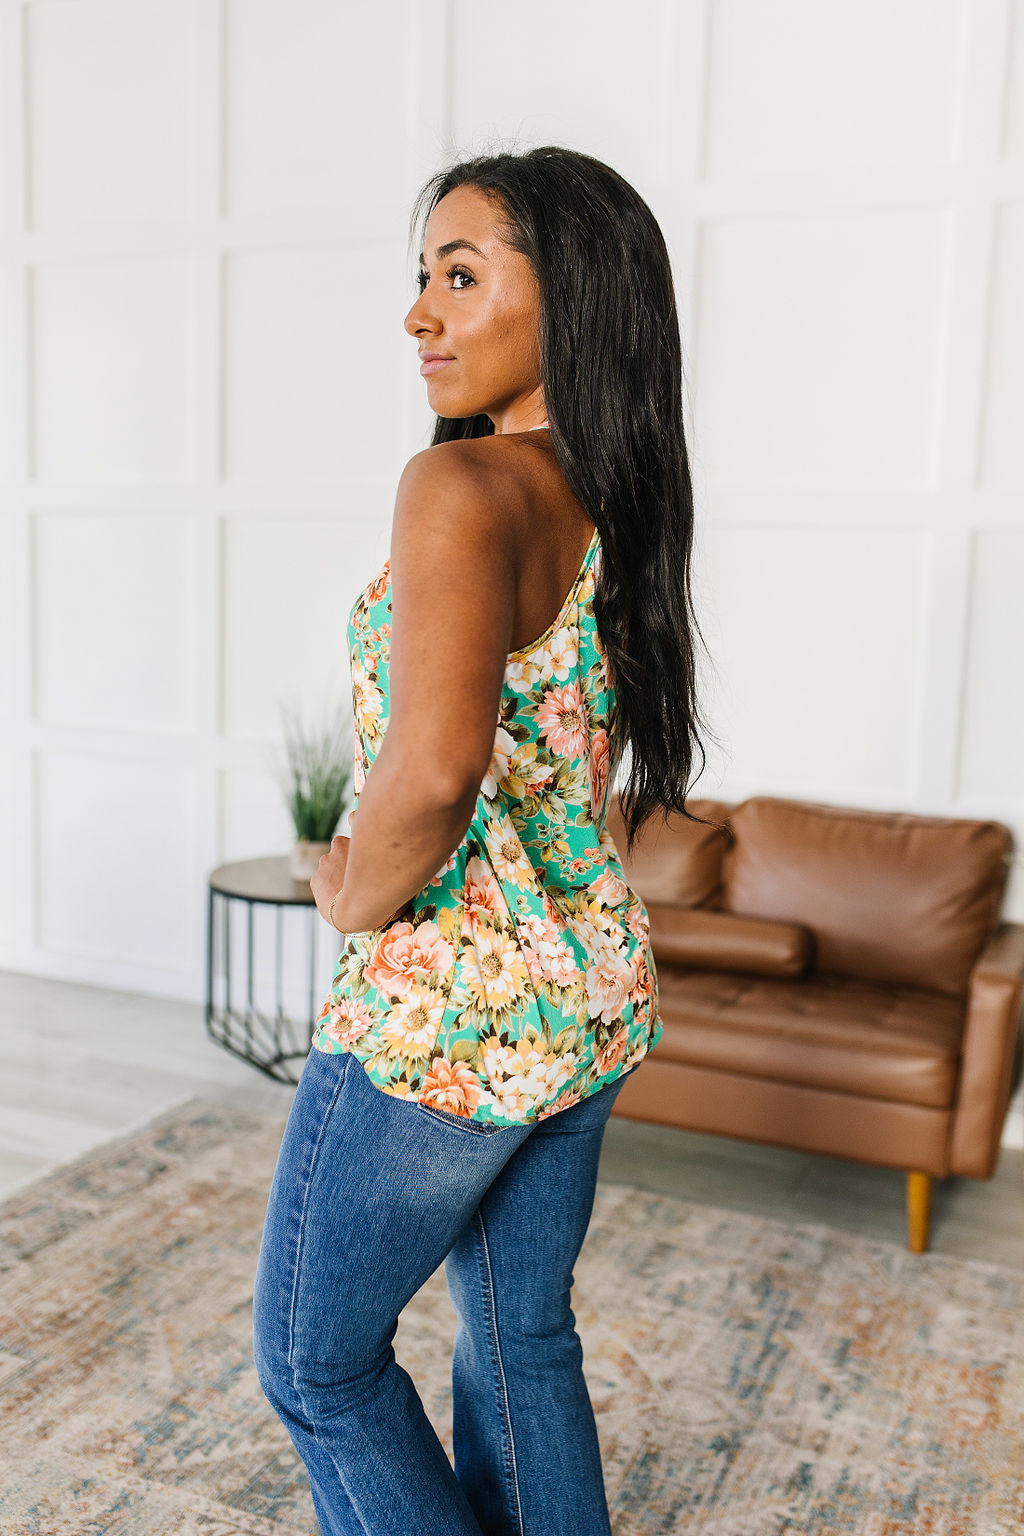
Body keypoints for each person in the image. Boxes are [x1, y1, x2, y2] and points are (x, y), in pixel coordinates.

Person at [252, 145, 722, 1536]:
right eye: (423, 277)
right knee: (523, 1338)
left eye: (461, 276)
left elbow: (439, 767)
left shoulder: (458, 488)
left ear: (569, 297)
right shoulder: (613, 494)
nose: (420, 313)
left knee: (316, 1364)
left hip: (452, 1011)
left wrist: (352, 890)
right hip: (588, 989)